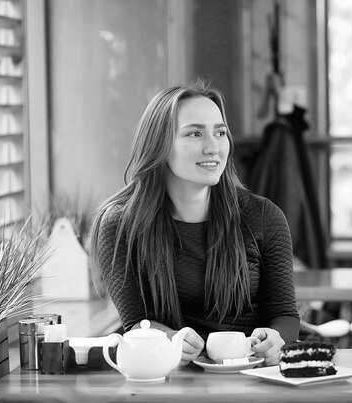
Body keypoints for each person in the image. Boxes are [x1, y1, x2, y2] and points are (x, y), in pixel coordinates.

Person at [90, 81, 300, 366]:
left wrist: (276, 337)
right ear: (159, 145)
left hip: (251, 379)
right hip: (169, 377)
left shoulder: (264, 217)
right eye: (194, 133)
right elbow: (136, 323)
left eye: (220, 132)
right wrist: (171, 337)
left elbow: (285, 315)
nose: (213, 147)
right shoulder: (120, 224)